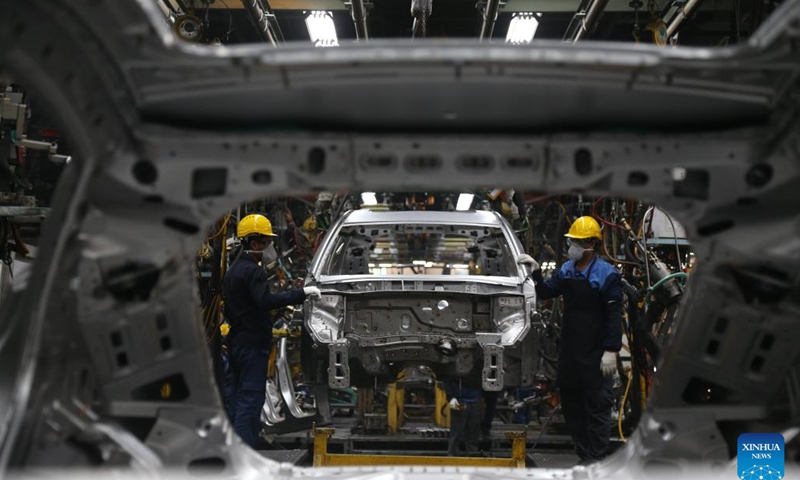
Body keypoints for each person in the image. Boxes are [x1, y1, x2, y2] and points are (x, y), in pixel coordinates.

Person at [517, 216, 622, 465]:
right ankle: (585, 457)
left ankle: (596, 459)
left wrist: (611, 350)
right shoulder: (567, 270)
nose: (570, 245)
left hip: (596, 352)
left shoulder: (606, 275)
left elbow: (614, 315)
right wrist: (536, 272)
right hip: (571, 351)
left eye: (575, 241)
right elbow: (545, 293)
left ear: (590, 244)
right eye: (570, 240)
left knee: (597, 406)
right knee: (572, 405)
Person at [223, 213, 321, 448]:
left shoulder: (232, 271)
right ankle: (245, 450)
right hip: (252, 345)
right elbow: (265, 301)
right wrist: (302, 294)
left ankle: (234, 446)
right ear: (254, 243)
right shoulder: (253, 271)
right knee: (250, 398)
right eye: (266, 242)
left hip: (236, 342)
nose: (269, 247)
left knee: (235, 398)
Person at [443, 380, 482, 456]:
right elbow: (446, 378)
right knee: (456, 432)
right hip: (459, 401)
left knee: (473, 433)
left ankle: (472, 458)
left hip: (475, 401)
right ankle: (452, 458)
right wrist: (451, 397)